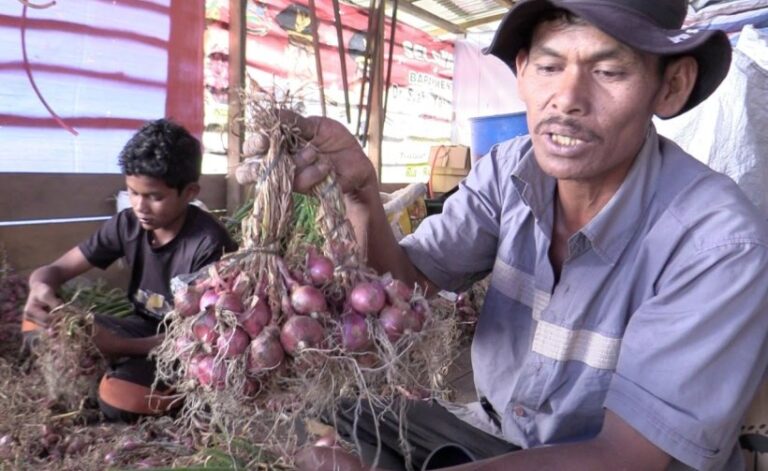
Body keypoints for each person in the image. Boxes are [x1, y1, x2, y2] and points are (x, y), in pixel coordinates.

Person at [285, 0, 768, 470]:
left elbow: (628, 456)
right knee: (344, 406)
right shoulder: (507, 170)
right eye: (549, 66)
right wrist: (361, 194)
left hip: (609, 458)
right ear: (521, 71)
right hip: (498, 433)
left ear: (672, 87)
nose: (568, 100)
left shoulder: (718, 242)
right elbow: (407, 283)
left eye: (609, 72)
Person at [22, 119, 238, 422]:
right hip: (140, 328)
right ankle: (112, 374)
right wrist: (40, 289)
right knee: (38, 327)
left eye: (154, 196)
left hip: (182, 349)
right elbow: (56, 269)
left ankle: (186, 396)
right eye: (132, 192)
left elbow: (202, 336)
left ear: (189, 192)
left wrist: (118, 346)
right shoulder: (127, 224)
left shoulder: (208, 244)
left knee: (118, 398)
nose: (140, 206)